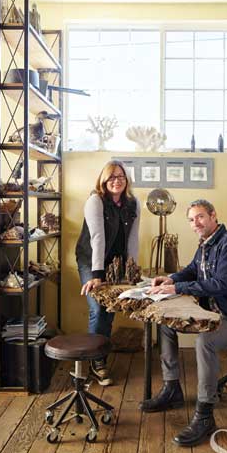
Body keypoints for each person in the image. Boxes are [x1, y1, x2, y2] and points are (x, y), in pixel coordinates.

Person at [140, 199, 227, 447]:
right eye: (191, 219)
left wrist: (177, 287)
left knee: (205, 342)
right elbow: (192, 270)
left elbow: (219, 285)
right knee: (165, 323)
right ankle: (172, 388)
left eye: (200, 217)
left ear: (214, 215)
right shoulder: (206, 244)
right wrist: (171, 279)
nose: (195, 223)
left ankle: (205, 416)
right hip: (211, 313)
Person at [75, 160, 140, 386]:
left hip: (115, 262)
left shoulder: (133, 203)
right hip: (91, 260)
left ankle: (99, 357)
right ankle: (97, 362)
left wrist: (132, 270)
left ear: (126, 180)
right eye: (111, 177)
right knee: (98, 308)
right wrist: (96, 275)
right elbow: (97, 239)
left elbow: (133, 238)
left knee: (109, 308)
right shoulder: (95, 201)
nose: (116, 181)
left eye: (120, 176)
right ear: (103, 180)